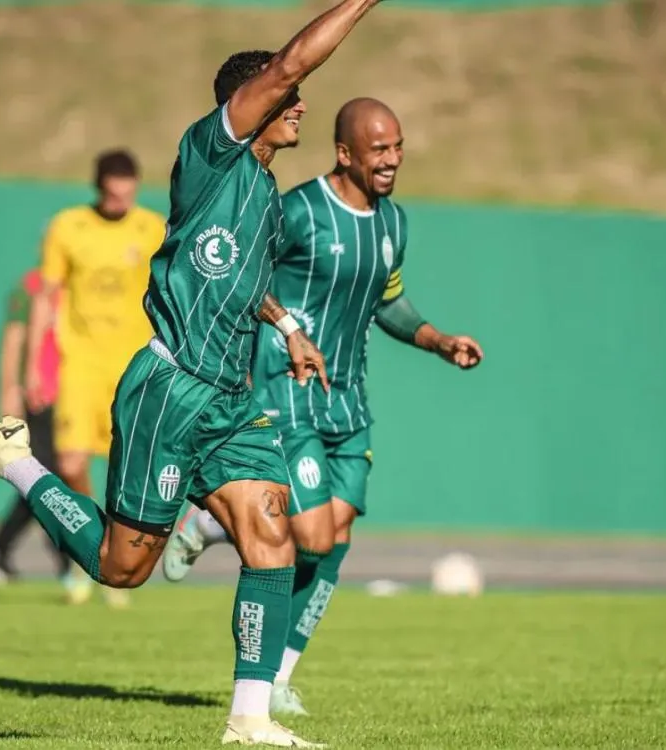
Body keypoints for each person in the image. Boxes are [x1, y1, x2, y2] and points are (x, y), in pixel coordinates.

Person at [0, 2, 386, 745]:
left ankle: (249, 720)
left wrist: (287, 328)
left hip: (232, 401)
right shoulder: (214, 154)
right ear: (255, 103)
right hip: (168, 390)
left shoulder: (267, 199)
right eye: (287, 99)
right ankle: (14, 460)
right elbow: (292, 64)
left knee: (270, 535)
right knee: (121, 568)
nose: (300, 105)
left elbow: (242, 281)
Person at [160, 98, 484, 717]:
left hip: (349, 401)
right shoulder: (300, 211)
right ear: (345, 153)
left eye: (397, 148)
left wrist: (438, 341)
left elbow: (389, 302)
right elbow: (245, 275)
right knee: (308, 532)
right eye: (379, 150)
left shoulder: (394, 224)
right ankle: (208, 523)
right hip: (287, 390)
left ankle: (280, 676)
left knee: (335, 538)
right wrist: (272, 333)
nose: (391, 161)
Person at [25, 149, 166, 606]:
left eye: (127, 193)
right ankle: (86, 551)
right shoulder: (68, 227)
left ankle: (117, 558)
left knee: (127, 470)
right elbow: (46, 296)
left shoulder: (152, 229)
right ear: (99, 187)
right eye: (111, 193)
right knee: (69, 464)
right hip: (81, 362)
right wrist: (33, 366)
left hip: (134, 364)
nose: (119, 201)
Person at [0, 269, 70, 583]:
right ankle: (65, 554)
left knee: (53, 475)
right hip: (40, 395)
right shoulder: (30, 288)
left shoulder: (84, 287)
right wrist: (9, 390)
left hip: (75, 396)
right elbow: (14, 340)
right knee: (46, 476)